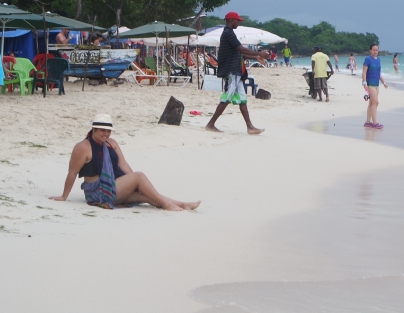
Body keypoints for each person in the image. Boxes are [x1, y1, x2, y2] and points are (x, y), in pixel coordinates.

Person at [50, 116, 199, 211]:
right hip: (98, 192)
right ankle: (167, 205)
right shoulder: (83, 147)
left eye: (109, 131)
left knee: (146, 195)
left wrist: (136, 185)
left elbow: (123, 165)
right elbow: (72, 172)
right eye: (102, 130)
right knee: (139, 176)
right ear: (93, 129)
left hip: (115, 187)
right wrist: (64, 196)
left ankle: (182, 204)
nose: (106, 134)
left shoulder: (111, 143)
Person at [205, 12, 266, 134]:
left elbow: (239, 53)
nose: (238, 23)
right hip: (231, 71)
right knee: (227, 97)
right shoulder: (228, 33)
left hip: (236, 72)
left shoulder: (229, 33)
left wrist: (255, 57)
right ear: (232, 20)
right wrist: (259, 53)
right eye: (237, 21)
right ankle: (210, 124)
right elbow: (241, 49)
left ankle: (250, 127)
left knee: (242, 99)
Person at [362, 44, 388, 129]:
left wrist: (384, 82)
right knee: (376, 102)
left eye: (376, 50)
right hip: (370, 84)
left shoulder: (378, 59)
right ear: (370, 50)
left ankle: (367, 122)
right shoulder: (368, 59)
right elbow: (364, 72)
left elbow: (378, 73)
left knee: (371, 103)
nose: (375, 51)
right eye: (373, 50)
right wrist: (364, 83)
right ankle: (375, 122)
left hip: (377, 84)